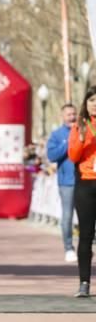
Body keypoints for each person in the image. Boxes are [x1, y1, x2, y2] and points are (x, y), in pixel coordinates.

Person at [68, 86, 96, 298]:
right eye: (91, 100)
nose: (94, 103)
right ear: (85, 104)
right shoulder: (79, 127)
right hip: (86, 185)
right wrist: (82, 138)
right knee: (86, 236)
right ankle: (84, 282)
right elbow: (73, 156)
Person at [47, 103, 77, 262]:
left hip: (85, 179)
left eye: (74, 114)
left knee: (89, 215)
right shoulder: (57, 135)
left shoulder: (84, 131)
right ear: (63, 116)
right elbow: (51, 155)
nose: (72, 117)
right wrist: (67, 143)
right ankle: (68, 247)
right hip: (67, 182)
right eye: (69, 114)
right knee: (67, 216)